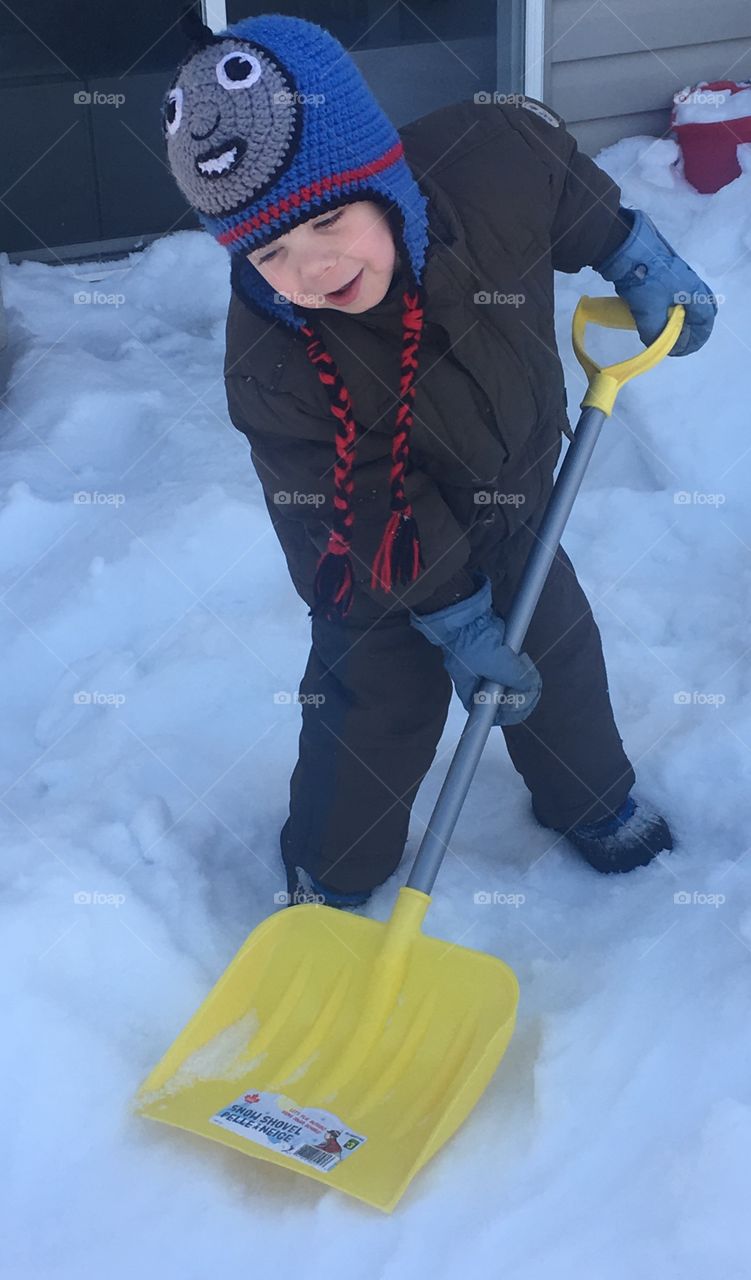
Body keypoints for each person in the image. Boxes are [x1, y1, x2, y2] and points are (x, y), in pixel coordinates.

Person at [162, 13, 716, 909]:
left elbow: (548, 173)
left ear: (381, 178)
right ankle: (329, 867)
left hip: (515, 500)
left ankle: (591, 802)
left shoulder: (485, 163)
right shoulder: (277, 351)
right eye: (269, 251)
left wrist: (631, 250)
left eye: (329, 219)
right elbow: (349, 499)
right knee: (372, 713)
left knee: (557, 652)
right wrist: (451, 618)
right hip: (376, 565)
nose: (309, 269)